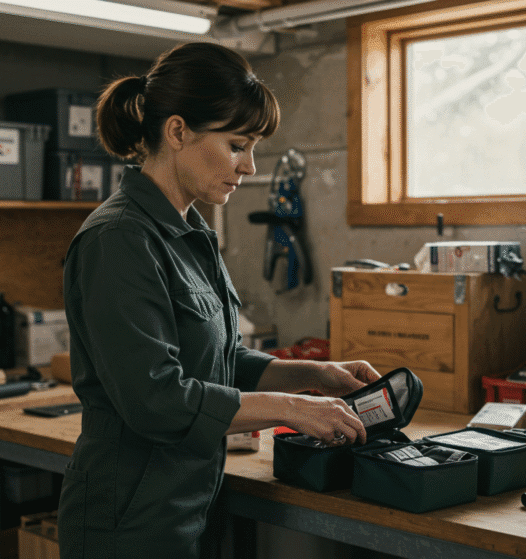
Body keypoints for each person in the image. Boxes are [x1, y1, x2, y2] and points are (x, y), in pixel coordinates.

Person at [58, 42, 382, 559]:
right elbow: (155, 400)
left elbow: (216, 360)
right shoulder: (118, 240)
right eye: (236, 145)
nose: (250, 166)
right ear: (178, 131)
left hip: (189, 503)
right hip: (129, 522)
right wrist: (291, 409)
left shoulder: (189, 231)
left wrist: (313, 375)